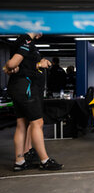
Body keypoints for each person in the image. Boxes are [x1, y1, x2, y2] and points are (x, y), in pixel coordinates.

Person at [3, 33, 63, 171]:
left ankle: (20, 161)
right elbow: (12, 63)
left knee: (22, 123)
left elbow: (19, 66)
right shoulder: (26, 40)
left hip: (18, 87)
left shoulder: (22, 41)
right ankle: (44, 160)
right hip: (26, 88)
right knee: (37, 122)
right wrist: (10, 65)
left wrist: (39, 63)